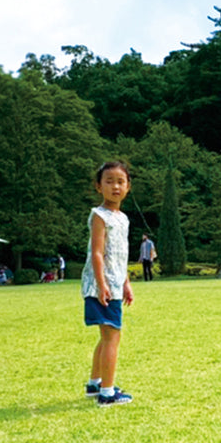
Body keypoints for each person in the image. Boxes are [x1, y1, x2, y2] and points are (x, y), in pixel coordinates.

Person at [81, 161, 134, 406]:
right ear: (98, 186)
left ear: (128, 187)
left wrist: (126, 282)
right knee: (112, 335)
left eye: (120, 181)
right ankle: (107, 392)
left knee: (106, 335)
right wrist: (103, 285)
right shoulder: (99, 215)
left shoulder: (122, 218)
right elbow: (98, 253)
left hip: (114, 283)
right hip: (101, 285)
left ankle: (95, 383)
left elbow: (120, 255)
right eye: (109, 181)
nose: (115, 186)